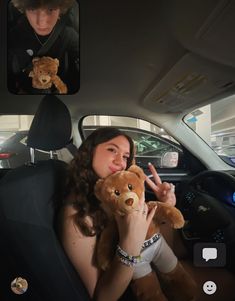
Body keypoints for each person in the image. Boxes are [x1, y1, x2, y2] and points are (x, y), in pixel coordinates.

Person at [58, 127, 176, 301]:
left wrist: (167, 207)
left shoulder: (118, 196)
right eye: (112, 149)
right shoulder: (77, 214)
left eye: (126, 156)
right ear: (90, 152)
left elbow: (160, 244)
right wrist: (129, 244)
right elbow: (103, 297)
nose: (121, 161)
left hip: (152, 272)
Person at [7, 0, 79, 94]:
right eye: (32, 9)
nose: (42, 22)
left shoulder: (68, 35)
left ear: (60, 10)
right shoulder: (13, 36)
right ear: (24, 10)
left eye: (50, 9)